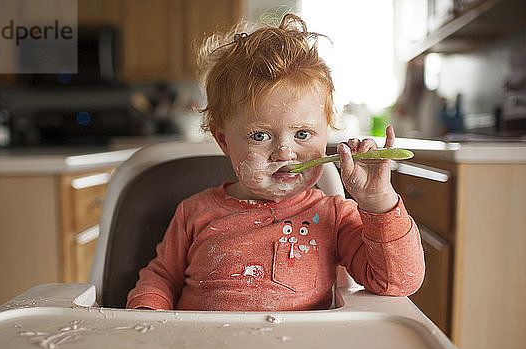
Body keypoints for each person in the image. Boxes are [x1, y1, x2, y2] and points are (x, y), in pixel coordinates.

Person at [126, 14, 424, 311]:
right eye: (259, 136)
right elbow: (161, 278)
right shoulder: (194, 213)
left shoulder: (333, 217)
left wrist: (378, 202)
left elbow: (397, 281)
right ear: (224, 141)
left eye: (303, 133)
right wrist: (148, 314)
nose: (284, 152)